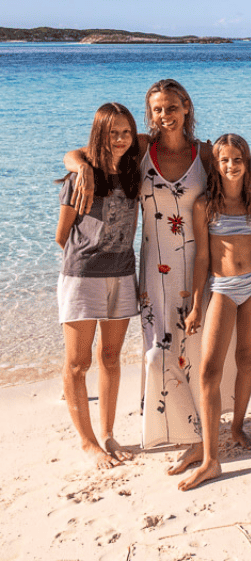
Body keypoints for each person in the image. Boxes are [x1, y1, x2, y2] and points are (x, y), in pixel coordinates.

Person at [64, 79, 223, 475]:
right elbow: (84, 151)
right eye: (157, 110)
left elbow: (236, 190)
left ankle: (204, 434)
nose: (164, 115)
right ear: (149, 114)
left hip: (199, 265)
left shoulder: (205, 152)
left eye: (172, 107)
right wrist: (81, 168)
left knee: (199, 351)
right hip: (153, 267)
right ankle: (178, 430)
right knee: (158, 354)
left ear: (186, 106)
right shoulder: (138, 147)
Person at [177, 134, 251, 490]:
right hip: (222, 288)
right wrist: (195, 307)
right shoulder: (205, 205)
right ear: (215, 165)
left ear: (247, 162)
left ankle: (236, 428)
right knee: (208, 372)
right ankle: (210, 458)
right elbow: (202, 258)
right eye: (224, 161)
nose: (231, 166)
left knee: (246, 359)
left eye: (238, 160)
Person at [56, 102, 140, 469]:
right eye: (112, 133)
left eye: (125, 132)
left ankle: (107, 433)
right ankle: (88, 443)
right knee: (78, 363)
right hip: (83, 275)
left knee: (110, 357)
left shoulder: (135, 170)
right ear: (99, 134)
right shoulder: (82, 175)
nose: (120, 139)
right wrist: (80, 166)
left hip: (123, 274)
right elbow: (63, 235)